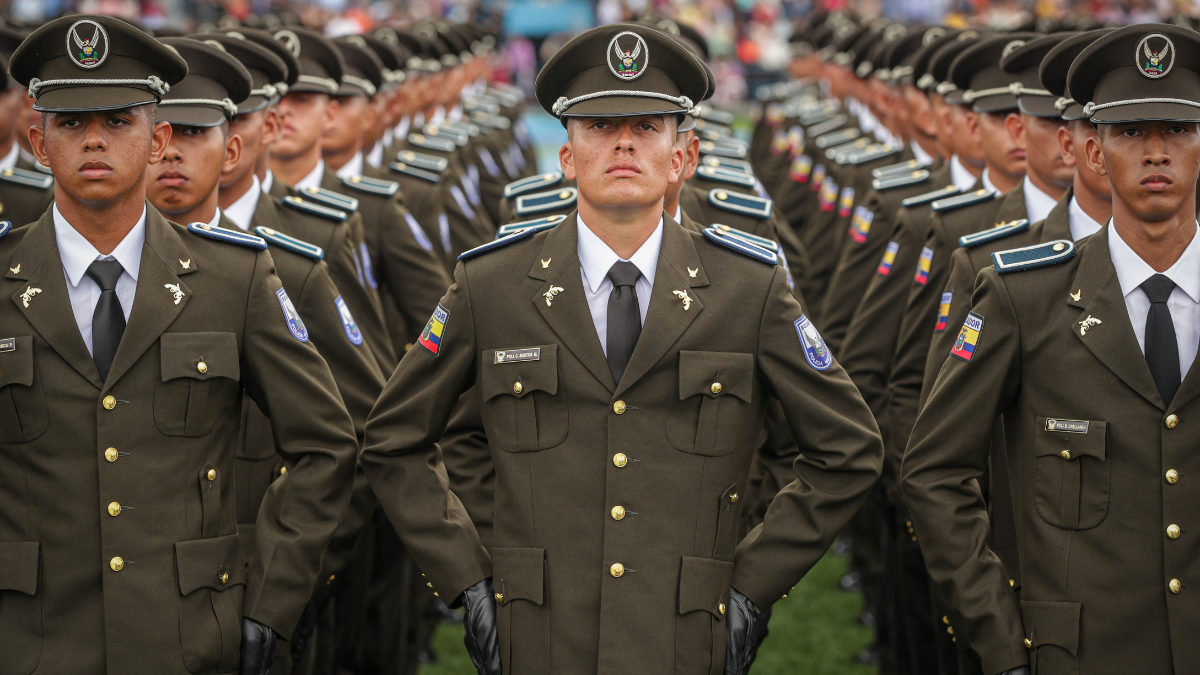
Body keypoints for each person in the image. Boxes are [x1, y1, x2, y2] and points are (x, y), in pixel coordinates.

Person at [359, 22, 883, 675]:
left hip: (687, 636)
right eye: (600, 127)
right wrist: (471, 577)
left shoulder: (748, 288)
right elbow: (394, 439)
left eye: (646, 126)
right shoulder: (491, 285)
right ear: (567, 156)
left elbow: (849, 447)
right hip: (540, 636)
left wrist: (750, 579)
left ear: (683, 156)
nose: (625, 143)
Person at [0, 16, 357, 675]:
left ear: (157, 137)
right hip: (30, 640)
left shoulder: (233, 278)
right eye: (71, 123)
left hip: (192, 639)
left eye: (118, 120)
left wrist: (270, 598)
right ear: (37, 142)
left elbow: (327, 444)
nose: (95, 139)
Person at [902, 23, 1200, 675]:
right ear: (1091, 152)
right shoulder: (1023, 297)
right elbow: (934, 471)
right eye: (1130, 132)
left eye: (1178, 130)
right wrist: (999, 638)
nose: (1156, 153)